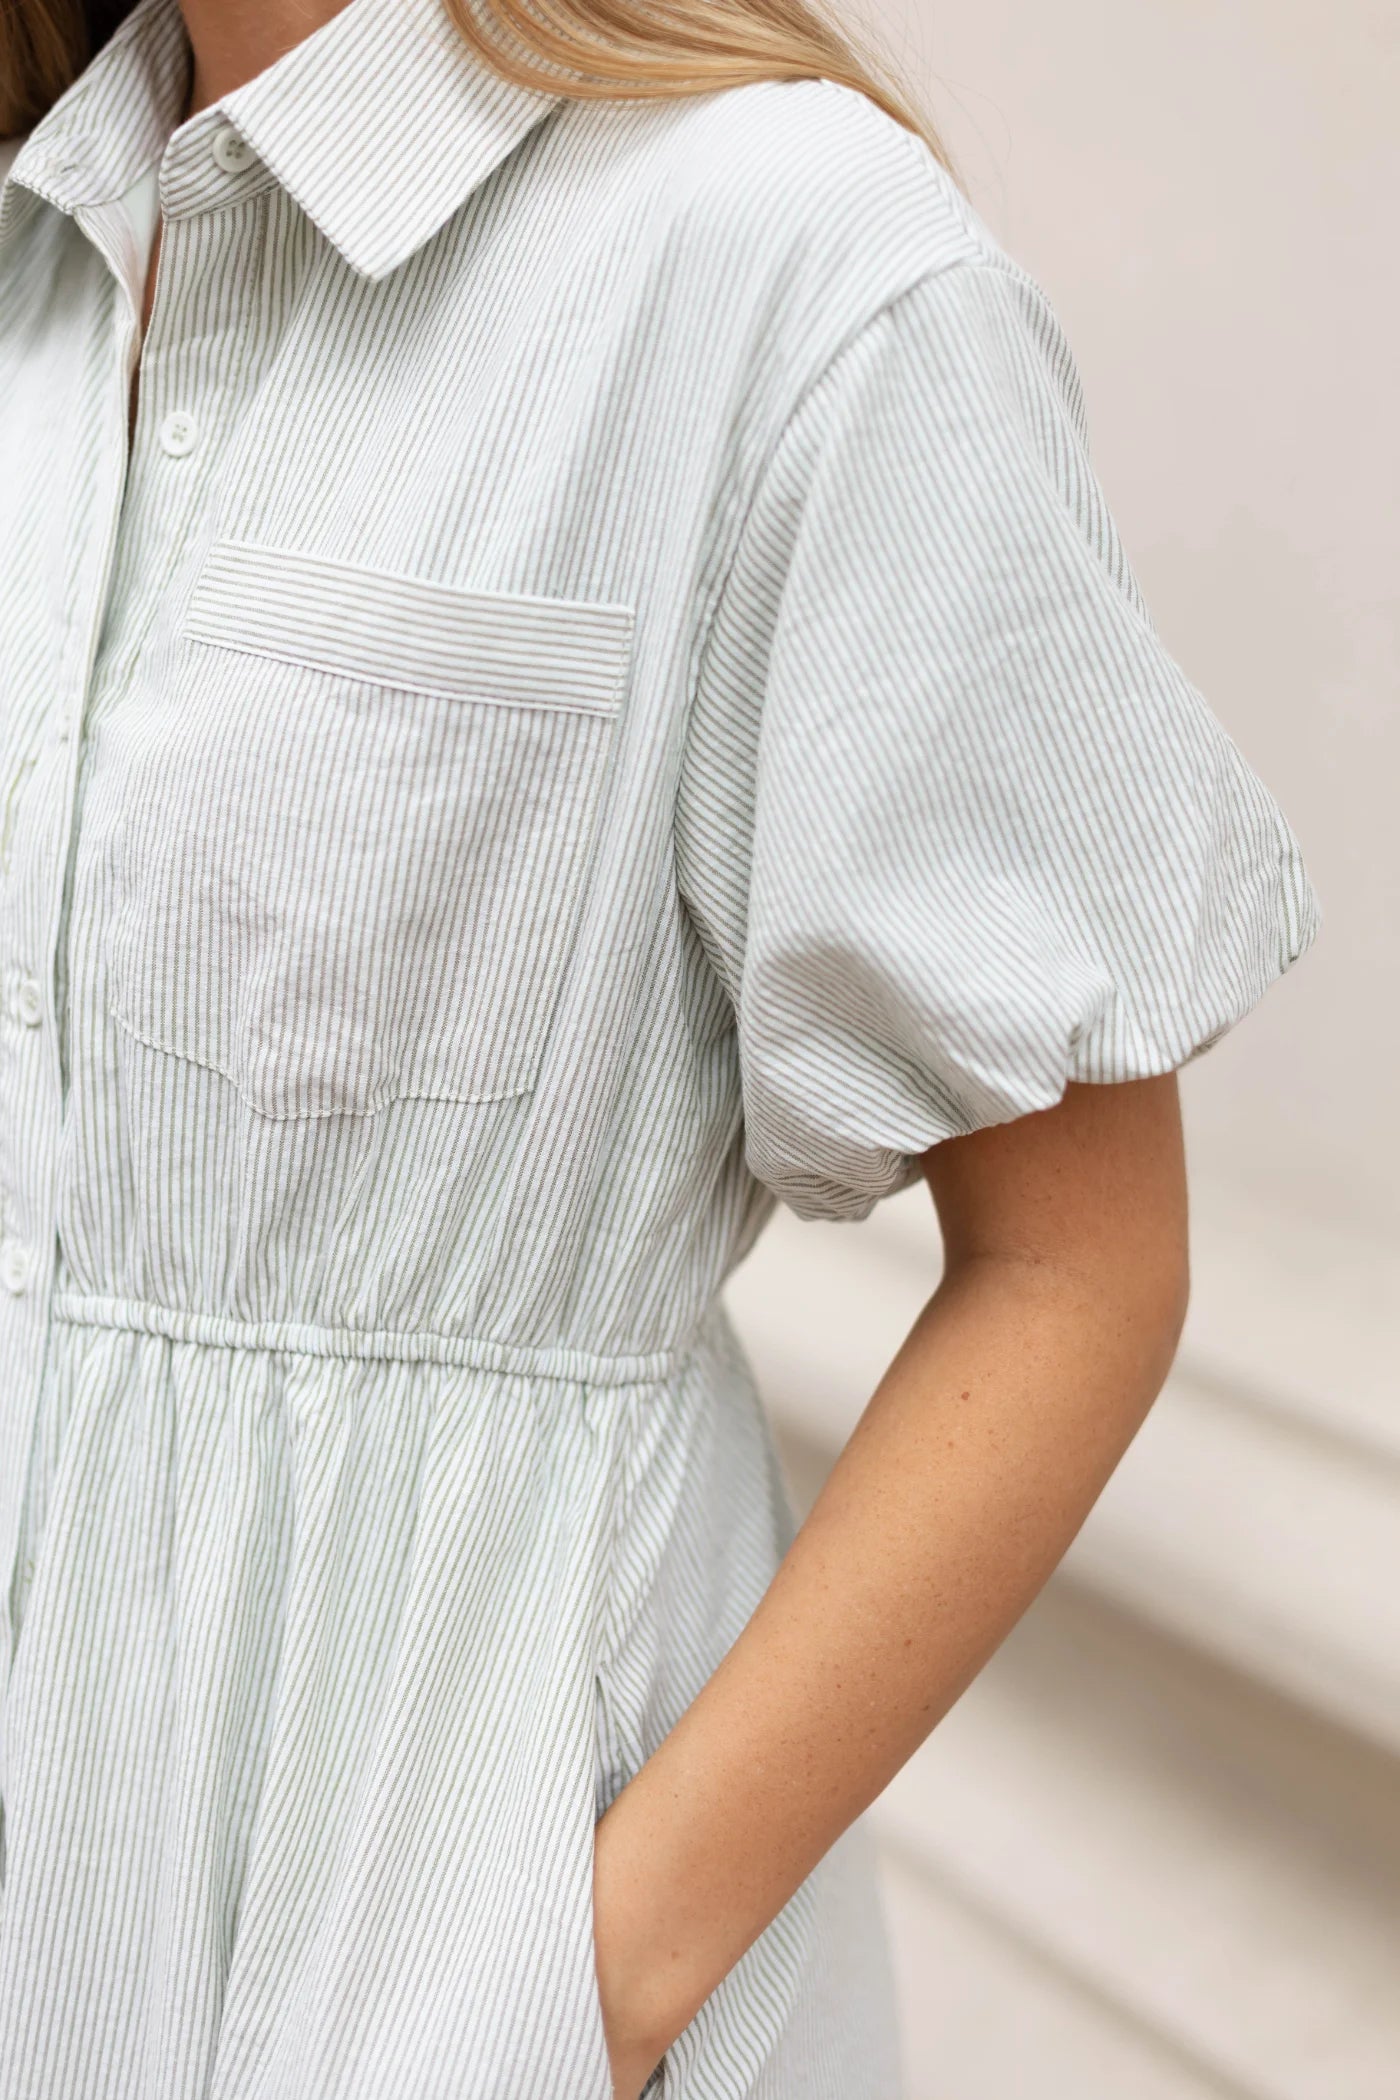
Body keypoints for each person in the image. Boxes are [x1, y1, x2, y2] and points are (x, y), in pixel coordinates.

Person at [0, 0, 1318, 2094]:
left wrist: (574, 1993)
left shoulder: (785, 267)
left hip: (433, 1968)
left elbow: (1073, 1264)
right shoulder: (38, 255)